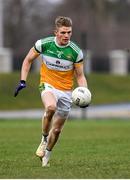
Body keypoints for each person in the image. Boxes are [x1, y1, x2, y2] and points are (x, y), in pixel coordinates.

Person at [14, 16, 88, 167]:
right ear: (56, 32)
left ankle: (47, 155)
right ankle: (43, 139)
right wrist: (23, 80)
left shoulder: (76, 52)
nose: (66, 35)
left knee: (57, 130)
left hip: (66, 91)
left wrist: (85, 92)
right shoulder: (44, 44)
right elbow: (28, 60)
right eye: (63, 32)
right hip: (48, 85)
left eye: (69, 32)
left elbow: (80, 76)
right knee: (50, 107)